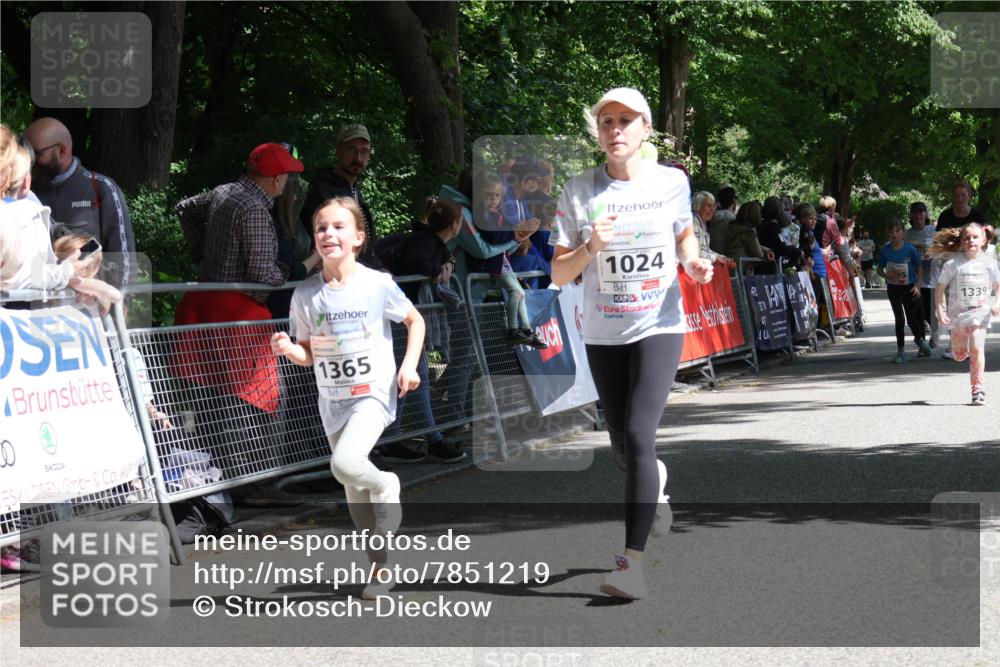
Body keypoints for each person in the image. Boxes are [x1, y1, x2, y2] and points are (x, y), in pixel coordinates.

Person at [550, 87, 713, 600]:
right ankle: (655, 484)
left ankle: (631, 564)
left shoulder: (671, 182)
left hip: (658, 324)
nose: (615, 130)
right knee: (621, 445)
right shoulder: (579, 190)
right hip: (603, 331)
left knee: (641, 435)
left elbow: (684, 237)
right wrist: (589, 245)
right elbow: (559, 270)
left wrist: (693, 262)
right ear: (597, 132)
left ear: (645, 129)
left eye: (625, 121)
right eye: (606, 122)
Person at [272, 196, 424, 599]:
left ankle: (387, 482)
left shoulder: (377, 283)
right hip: (333, 400)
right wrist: (291, 351)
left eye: (338, 227)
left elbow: (414, 320)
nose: (328, 234)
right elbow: (309, 353)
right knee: (355, 500)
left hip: (373, 393)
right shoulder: (305, 294)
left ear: (357, 238)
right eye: (321, 227)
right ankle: (381, 570)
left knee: (345, 465)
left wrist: (409, 366)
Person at [172, 143, 304, 504]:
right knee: (255, 400)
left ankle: (220, 479)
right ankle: (254, 484)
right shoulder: (256, 210)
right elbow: (263, 275)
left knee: (212, 397)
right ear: (277, 180)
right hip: (239, 315)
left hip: (203, 306)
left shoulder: (223, 192)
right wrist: (289, 273)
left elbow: (185, 207)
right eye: (288, 177)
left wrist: (199, 249)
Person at [377, 196, 467, 463]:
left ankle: (392, 436)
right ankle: (431, 439)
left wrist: (444, 262)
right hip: (403, 318)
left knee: (412, 378)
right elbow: (418, 264)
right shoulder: (426, 242)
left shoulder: (428, 240)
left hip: (406, 316)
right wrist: (437, 269)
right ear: (455, 224)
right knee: (418, 376)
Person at [24, 117, 135, 286]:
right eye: (27, 153)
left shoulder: (101, 188)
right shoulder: (25, 191)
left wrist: (120, 301)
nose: (30, 161)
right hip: (35, 304)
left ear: (62, 151)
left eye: (36, 154)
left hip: (89, 304)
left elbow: (122, 255)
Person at [475, 170, 546, 347]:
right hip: (493, 263)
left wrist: (521, 235)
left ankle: (526, 330)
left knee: (520, 292)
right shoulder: (482, 214)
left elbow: (508, 241)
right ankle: (513, 329)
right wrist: (516, 233)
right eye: (489, 195)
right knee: (517, 292)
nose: (493, 199)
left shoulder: (497, 214)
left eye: (497, 195)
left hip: (502, 260)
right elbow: (495, 237)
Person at [932, 223, 1000, 405]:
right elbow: (940, 289)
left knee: (977, 348)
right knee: (960, 354)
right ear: (961, 242)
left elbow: (997, 286)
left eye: (975, 237)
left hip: (980, 313)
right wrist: (940, 310)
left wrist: (997, 303)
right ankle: (959, 350)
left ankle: (978, 390)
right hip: (957, 316)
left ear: (984, 240)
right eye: (967, 237)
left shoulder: (989, 263)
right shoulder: (952, 264)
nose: (971, 240)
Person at [300, 124, 378, 265]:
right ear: (338, 151)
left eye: (364, 152)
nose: (358, 158)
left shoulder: (354, 190)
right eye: (351, 150)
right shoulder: (323, 191)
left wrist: (377, 268)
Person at [877, 221, 932, 363]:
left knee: (911, 318)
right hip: (893, 288)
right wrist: (887, 275)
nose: (894, 234)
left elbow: (919, 266)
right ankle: (901, 351)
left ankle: (919, 339)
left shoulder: (910, 249)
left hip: (909, 287)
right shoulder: (885, 250)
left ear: (903, 233)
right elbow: (879, 269)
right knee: (899, 319)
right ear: (888, 234)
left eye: (897, 231)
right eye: (891, 232)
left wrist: (918, 286)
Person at [903, 202, 937, 342]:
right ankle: (922, 343)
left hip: (931, 279)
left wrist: (934, 255)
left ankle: (935, 335)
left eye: (921, 212)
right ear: (911, 215)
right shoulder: (906, 234)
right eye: (915, 213)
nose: (918, 215)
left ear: (926, 214)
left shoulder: (933, 231)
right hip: (914, 280)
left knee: (930, 313)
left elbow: (943, 250)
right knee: (917, 314)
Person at [691, 191, 735, 270]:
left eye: (713, 206)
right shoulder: (693, 223)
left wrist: (723, 258)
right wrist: (717, 259)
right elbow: (695, 251)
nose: (712, 209)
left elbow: (705, 250)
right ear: (697, 206)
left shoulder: (701, 224)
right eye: (708, 206)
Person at [708, 185, 737, 256]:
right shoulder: (732, 220)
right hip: (725, 259)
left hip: (711, 257)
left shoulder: (710, 217)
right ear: (733, 201)